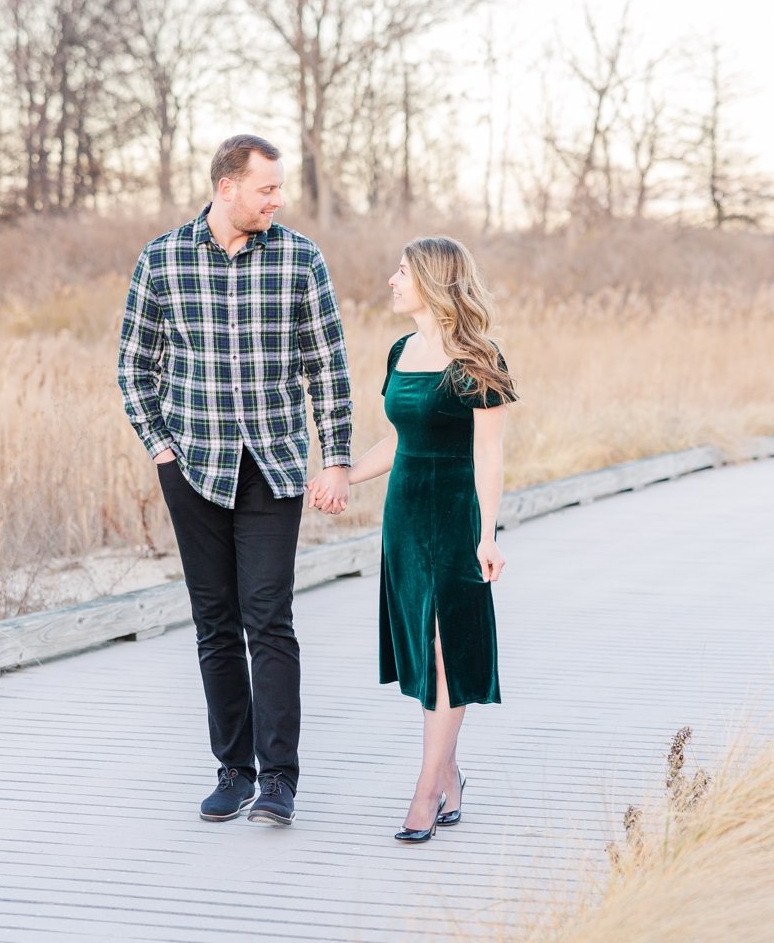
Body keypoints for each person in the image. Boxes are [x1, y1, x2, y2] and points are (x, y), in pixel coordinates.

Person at [116, 134, 352, 827]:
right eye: (266, 188)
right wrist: (161, 447)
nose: (277, 200)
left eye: (279, 189)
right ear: (227, 186)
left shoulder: (301, 258)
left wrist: (334, 457)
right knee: (214, 622)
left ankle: (279, 778)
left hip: (274, 466)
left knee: (268, 621)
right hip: (193, 467)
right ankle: (233, 769)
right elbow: (135, 367)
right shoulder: (161, 259)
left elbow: (328, 368)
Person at [319, 236, 515, 843]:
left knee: (444, 648)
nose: (391, 280)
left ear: (431, 280)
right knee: (420, 650)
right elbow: (401, 438)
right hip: (404, 519)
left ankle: (426, 789)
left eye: (401, 271)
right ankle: (451, 770)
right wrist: (344, 474)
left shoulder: (481, 358)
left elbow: (489, 453)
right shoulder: (401, 351)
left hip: (456, 516)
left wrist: (487, 533)